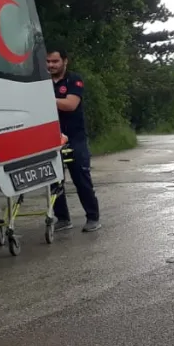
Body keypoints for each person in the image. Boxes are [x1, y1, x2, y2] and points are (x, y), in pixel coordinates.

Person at [48, 49, 102, 232]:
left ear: (65, 61)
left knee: (81, 178)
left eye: (55, 61)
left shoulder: (73, 80)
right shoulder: (41, 81)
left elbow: (70, 105)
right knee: (54, 180)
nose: (51, 65)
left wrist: (45, 99)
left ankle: (93, 217)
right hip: (50, 138)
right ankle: (62, 218)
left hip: (75, 137)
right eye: (48, 61)